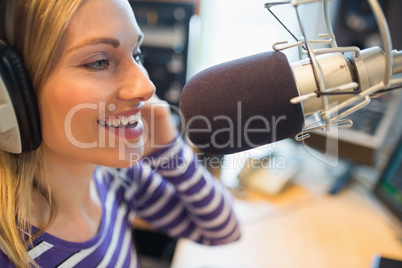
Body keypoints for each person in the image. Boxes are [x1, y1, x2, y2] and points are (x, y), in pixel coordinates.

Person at [0, 0, 240, 267]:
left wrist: (169, 149)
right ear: (12, 92)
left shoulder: (114, 176)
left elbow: (223, 230)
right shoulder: (13, 256)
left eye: (137, 55)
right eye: (99, 62)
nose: (146, 86)